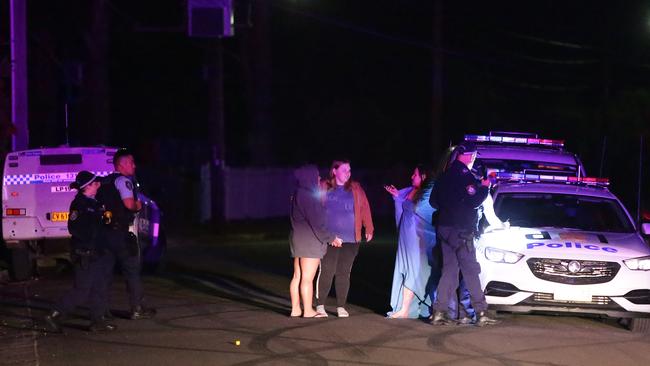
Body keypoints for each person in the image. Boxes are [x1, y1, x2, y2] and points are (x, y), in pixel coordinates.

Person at [429, 142, 501, 326]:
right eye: (474, 155)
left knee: (449, 271)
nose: (474, 159)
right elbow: (475, 200)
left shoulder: (443, 176)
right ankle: (482, 312)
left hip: (444, 230)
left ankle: (438, 312)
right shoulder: (466, 176)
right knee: (471, 271)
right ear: (469, 156)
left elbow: (433, 203)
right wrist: (484, 186)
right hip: (461, 231)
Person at [44, 171, 116, 332]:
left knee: (99, 285)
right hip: (85, 253)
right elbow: (74, 228)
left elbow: (100, 226)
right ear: (88, 186)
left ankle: (97, 321)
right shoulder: (80, 204)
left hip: (97, 251)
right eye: (95, 183)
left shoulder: (95, 203)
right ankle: (55, 314)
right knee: (82, 289)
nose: (98, 185)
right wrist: (88, 244)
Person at [96, 148, 155, 320]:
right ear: (121, 165)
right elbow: (129, 205)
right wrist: (139, 205)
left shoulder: (105, 182)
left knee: (105, 274)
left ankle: (102, 311)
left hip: (104, 234)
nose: (134, 166)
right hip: (121, 234)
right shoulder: (123, 181)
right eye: (131, 162)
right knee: (132, 270)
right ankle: (137, 308)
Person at [316, 159, 374, 318]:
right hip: (330, 239)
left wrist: (368, 227)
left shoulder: (356, 188)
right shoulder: (324, 187)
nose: (348, 173)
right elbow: (315, 209)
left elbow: (365, 208)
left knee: (344, 272)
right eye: (344, 170)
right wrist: (327, 235)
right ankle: (320, 305)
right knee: (327, 271)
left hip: (351, 239)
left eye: (349, 170)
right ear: (334, 171)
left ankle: (341, 306)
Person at [289, 165, 342, 318]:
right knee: (307, 278)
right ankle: (308, 311)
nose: (319, 179)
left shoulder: (297, 193)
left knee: (297, 276)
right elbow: (317, 224)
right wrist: (332, 238)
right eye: (316, 176)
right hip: (309, 243)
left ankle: (296, 309)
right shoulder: (308, 196)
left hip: (298, 240)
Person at [384, 165, 437, 318]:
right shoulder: (409, 191)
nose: (412, 177)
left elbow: (424, 214)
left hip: (417, 238)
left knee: (415, 271)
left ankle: (414, 307)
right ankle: (405, 308)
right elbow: (403, 208)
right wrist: (396, 196)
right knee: (406, 269)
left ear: (424, 176)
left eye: (415, 174)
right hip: (405, 237)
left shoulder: (427, 194)